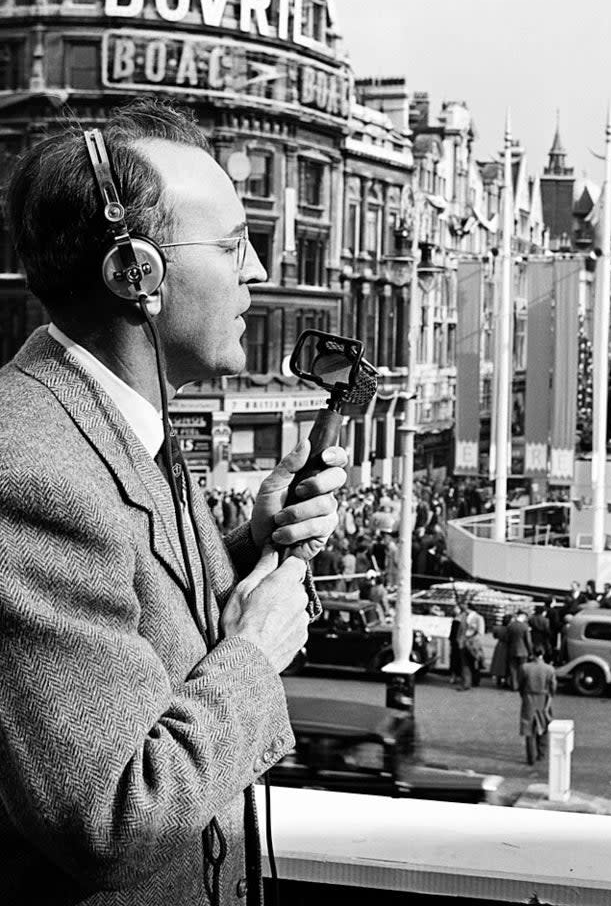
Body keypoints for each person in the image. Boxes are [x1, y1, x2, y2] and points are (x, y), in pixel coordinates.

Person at [0, 100, 349, 905]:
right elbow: (117, 817)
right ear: (136, 274)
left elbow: (129, 621)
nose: (258, 270)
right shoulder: (29, 473)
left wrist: (247, 542)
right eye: (233, 247)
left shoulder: (118, 423)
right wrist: (257, 651)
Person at [517, 650, 557, 766]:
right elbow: (553, 687)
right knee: (543, 726)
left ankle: (531, 758)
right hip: (543, 698)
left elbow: (520, 684)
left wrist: (523, 695)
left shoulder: (525, 667)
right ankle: (542, 754)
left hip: (529, 698)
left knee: (528, 728)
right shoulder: (549, 669)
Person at [456, 599, 486, 690]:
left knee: (475, 664)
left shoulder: (478, 618)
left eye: (463, 605)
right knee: (465, 664)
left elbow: (480, 632)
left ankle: (475, 681)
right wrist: (459, 640)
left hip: (473, 645)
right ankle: (466, 684)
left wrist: (472, 641)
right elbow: (460, 630)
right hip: (463, 643)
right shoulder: (463, 617)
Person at [504, 609, 533, 690]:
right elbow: (528, 641)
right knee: (522, 669)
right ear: (523, 617)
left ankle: (514, 685)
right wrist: (530, 651)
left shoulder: (510, 625)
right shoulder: (525, 627)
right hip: (523, 651)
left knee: (512, 668)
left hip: (512, 649)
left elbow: (507, 638)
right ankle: (521, 685)